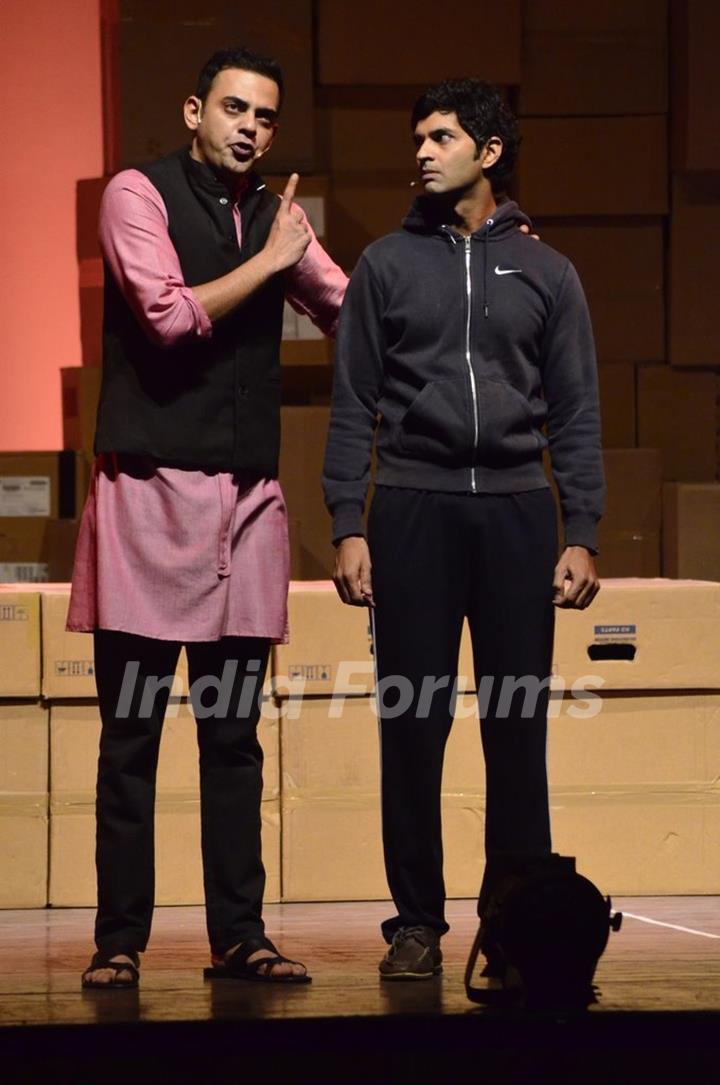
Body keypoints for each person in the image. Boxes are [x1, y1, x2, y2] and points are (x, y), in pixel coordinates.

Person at [69, 45, 347, 988]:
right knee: (133, 735)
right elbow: (166, 315)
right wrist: (274, 260)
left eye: (266, 117)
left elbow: (347, 304)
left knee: (233, 736)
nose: (250, 129)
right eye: (234, 109)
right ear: (195, 111)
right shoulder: (137, 195)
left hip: (245, 504)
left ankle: (240, 934)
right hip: (150, 498)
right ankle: (119, 940)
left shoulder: (278, 216)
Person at [323, 79, 604, 980]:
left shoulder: (548, 271)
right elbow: (354, 403)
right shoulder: (384, 266)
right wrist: (346, 520)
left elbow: (575, 410)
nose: (421, 151)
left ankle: (517, 918)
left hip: (520, 513)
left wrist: (583, 527)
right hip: (411, 507)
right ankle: (416, 921)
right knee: (414, 724)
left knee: (516, 727)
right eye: (417, 137)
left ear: (488, 151)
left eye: (440, 136)